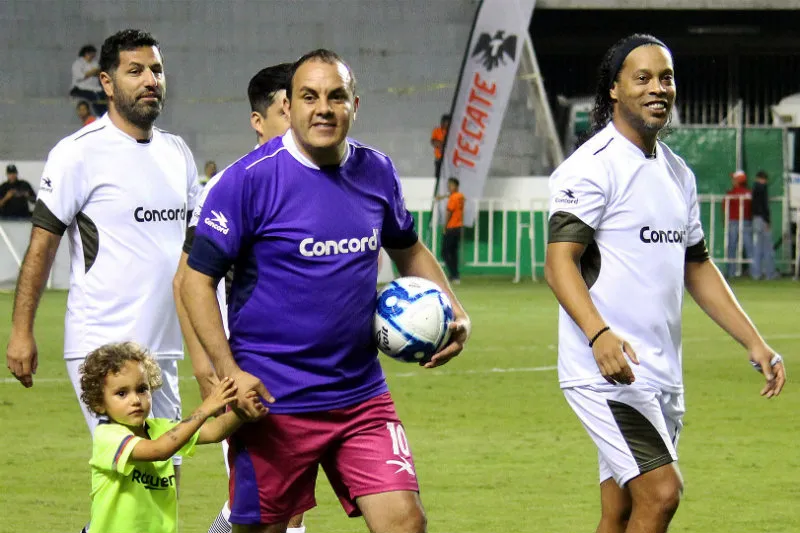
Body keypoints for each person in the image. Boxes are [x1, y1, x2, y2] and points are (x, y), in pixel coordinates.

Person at [180, 49, 471, 533]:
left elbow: (409, 248)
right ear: (288, 107)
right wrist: (228, 374)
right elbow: (195, 281)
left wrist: (456, 314)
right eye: (309, 97)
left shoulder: (377, 172)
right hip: (273, 401)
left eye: (336, 97)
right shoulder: (247, 182)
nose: (323, 108)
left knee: (406, 523)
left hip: (360, 395)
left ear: (355, 104)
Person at [544, 34, 786, 533]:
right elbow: (559, 263)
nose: (658, 88)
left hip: (660, 373)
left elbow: (696, 266)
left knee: (621, 511)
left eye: (666, 77)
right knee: (662, 492)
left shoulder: (678, 172)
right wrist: (598, 334)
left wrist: (754, 341)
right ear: (614, 89)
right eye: (643, 77)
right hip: (606, 372)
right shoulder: (592, 167)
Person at [5, 29, 201, 529]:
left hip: (164, 347)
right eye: (135, 71)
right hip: (102, 343)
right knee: (129, 481)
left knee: (161, 483)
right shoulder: (78, 152)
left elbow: (192, 255)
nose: (150, 80)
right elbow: (43, 245)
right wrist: (22, 329)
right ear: (108, 83)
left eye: (156, 70)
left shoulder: (178, 152)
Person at [173, 63, 307, 533]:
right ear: (258, 120)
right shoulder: (229, 184)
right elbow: (185, 280)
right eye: (285, 109)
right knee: (265, 505)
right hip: (246, 368)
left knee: (284, 504)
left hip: (304, 365)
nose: (299, 118)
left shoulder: (316, 178)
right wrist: (206, 364)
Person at [80, 341, 263, 533]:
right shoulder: (108, 436)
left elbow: (214, 431)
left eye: (142, 389)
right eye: (122, 393)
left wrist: (244, 410)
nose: (135, 400)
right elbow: (160, 450)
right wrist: (207, 406)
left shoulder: (160, 428)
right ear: (99, 403)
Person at [724, 169, 755, 278]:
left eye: (734, 179)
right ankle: (754, 272)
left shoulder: (731, 193)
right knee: (749, 247)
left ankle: (731, 273)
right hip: (746, 221)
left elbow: (725, 207)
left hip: (733, 222)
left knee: (732, 247)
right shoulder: (749, 193)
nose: (733, 181)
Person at [435, 177, 464, 283]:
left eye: (451, 185)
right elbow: (451, 195)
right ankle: (456, 275)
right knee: (453, 252)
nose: (449, 187)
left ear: (455, 186)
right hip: (458, 228)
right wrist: (442, 197)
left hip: (451, 228)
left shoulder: (453, 198)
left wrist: (445, 226)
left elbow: (449, 212)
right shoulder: (460, 196)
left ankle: (453, 274)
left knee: (445, 252)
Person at [751, 170, 778, 280]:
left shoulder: (754, 188)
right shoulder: (763, 188)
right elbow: (764, 206)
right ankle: (769, 273)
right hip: (762, 219)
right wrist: (767, 220)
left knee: (758, 248)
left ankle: (756, 273)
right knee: (768, 248)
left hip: (756, 218)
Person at [70, 44, 107, 116]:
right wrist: (91, 73)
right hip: (81, 88)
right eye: (91, 54)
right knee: (93, 99)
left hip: (95, 88)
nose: (93, 56)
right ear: (86, 53)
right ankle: (98, 114)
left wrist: (93, 72)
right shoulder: (78, 63)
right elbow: (80, 76)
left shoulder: (95, 63)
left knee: (105, 97)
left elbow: (98, 73)